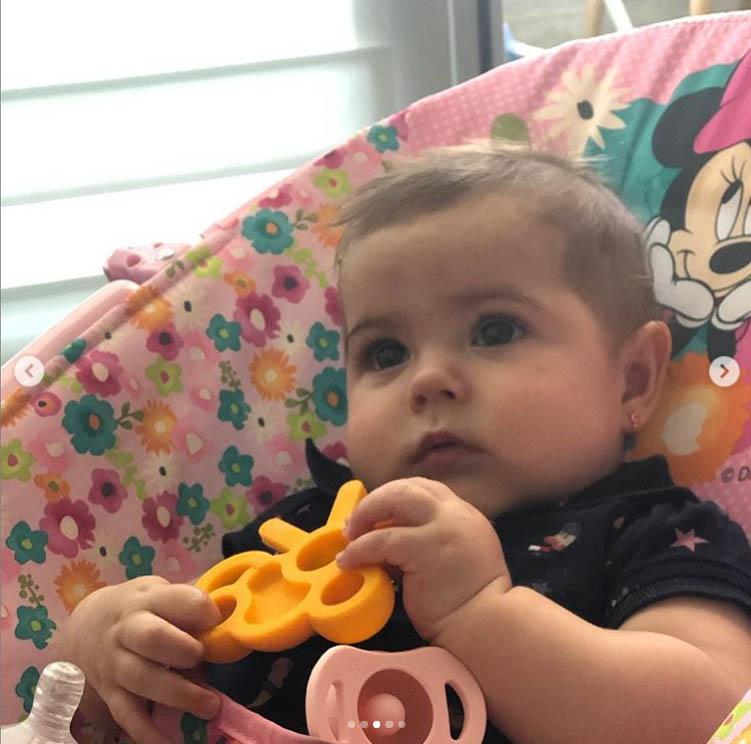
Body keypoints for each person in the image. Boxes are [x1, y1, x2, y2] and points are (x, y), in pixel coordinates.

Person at [59, 143, 751, 744]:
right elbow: (100, 707)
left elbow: (711, 716)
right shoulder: (312, 531)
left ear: (633, 379)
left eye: (495, 331)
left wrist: (480, 613)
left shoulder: (654, 533)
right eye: (385, 352)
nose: (428, 379)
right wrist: (101, 644)